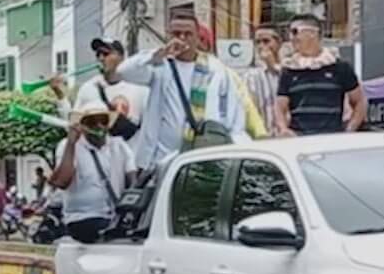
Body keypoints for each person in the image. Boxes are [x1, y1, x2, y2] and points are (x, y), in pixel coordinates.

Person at [115, 9, 250, 173]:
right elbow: (123, 71)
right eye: (177, 33)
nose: (182, 39)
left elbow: (234, 118)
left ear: (197, 36)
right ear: (168, 35)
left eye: (188, 34)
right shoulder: (160, 66)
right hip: (162, 162)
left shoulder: (216, 70)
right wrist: (159, 53)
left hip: (204, 159)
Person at [50, 99, 133, 243]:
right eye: (92, 122)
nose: (98, 126)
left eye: (103, 121)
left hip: (114, 217)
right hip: (82, 219)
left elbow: (133, 180)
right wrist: (71, 143)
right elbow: (62, 182)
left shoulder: (119, 146)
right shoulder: (68, 145)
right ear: (83, 126)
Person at [275, 13, 364, 136]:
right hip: (299, 141)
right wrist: (283, 129)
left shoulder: (339, 66)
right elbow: (280, 106)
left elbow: (360, 101)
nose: (291, 38)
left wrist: (349, 130)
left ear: (312, 33)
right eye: (289, 33)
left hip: (331, 141)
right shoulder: (289, 70)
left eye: (295, 32)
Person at [74, 39, 147, 142]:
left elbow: (150, 128)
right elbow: (74, 125)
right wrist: (61, 99)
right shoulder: (89, 88)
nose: (101, 58)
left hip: (133, 156)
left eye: (106, 53)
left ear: (121, 57)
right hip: (102, 156)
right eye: (98, 54)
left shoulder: (140, 88)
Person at [244, 25, 285, 137]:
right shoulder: (251, 76)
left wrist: (272, 65)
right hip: (263, 137)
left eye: (266, 41)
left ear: (279, 43)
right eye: (257, 42)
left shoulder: (288, 70)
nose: (262, 46)